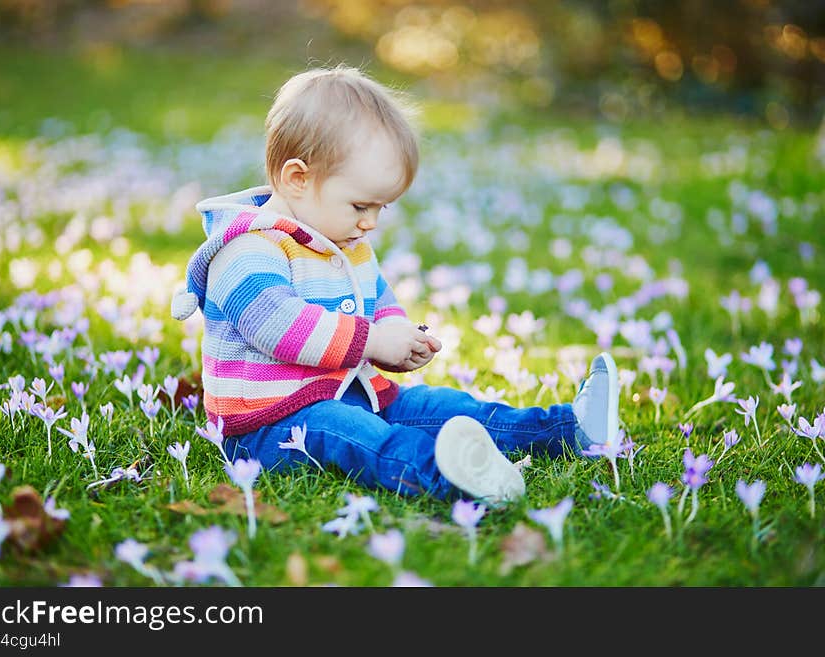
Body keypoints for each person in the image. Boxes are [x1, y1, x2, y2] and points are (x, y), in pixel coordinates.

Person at [171, 65, 620, 502]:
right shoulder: (246, 250)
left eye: (380, 209)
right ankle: (450, 476)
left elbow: (377, 299)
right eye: (360, 205)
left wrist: (399, 338)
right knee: (352, 434)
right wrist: (372, 341)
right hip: (269, 425)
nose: (370, 223)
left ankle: (567, 428)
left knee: (437, 407)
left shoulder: (344, 242)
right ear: (298, 179)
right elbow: (280, 327)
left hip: (355, 391)